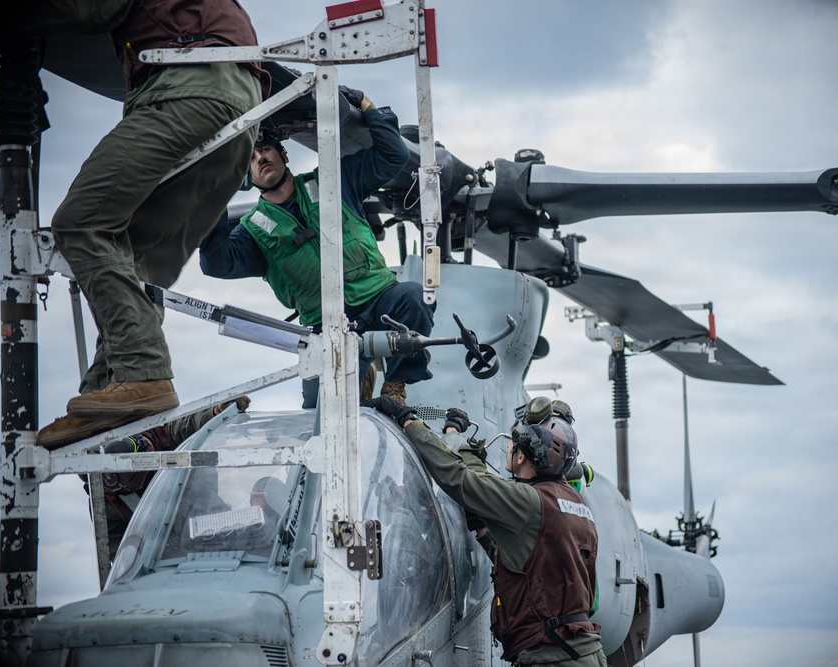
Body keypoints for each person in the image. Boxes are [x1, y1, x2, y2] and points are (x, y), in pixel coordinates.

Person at [35, 0, 270, 448]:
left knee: (81, 224)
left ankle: (142, 374)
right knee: (139, 259)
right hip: (239, 112)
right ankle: (107, 394)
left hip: (189, 90)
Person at [198, 88, 433, 407]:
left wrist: (366, 105)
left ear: (284, 154)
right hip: (327, 328)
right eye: (251, 159)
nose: (261, 158)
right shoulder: (253, 231)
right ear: (246, 176)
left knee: (414, 296)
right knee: (320, 414)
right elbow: (216, 264)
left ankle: (395, 385)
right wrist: (215, 192)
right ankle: (358, 380)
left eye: (266, 149)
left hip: (381, 302)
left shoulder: (336, 181)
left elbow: (395, 155)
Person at [365, 395, 607, 666]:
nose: (508, 447)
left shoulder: (529, 502)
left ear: (524, 455)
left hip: (554, 657)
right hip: (580, 653)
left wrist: (409, 420)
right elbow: (534, 566)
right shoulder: (572, 502)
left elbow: (457, 477)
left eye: (513, 442)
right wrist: (482, 531)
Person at [88, 396, 250, 559]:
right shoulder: (103, 502)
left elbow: (189, 423)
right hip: (164, 551)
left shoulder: (159, 431)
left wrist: (216, 411)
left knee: (244, 543)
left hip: (204, 508)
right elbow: (119, 554)